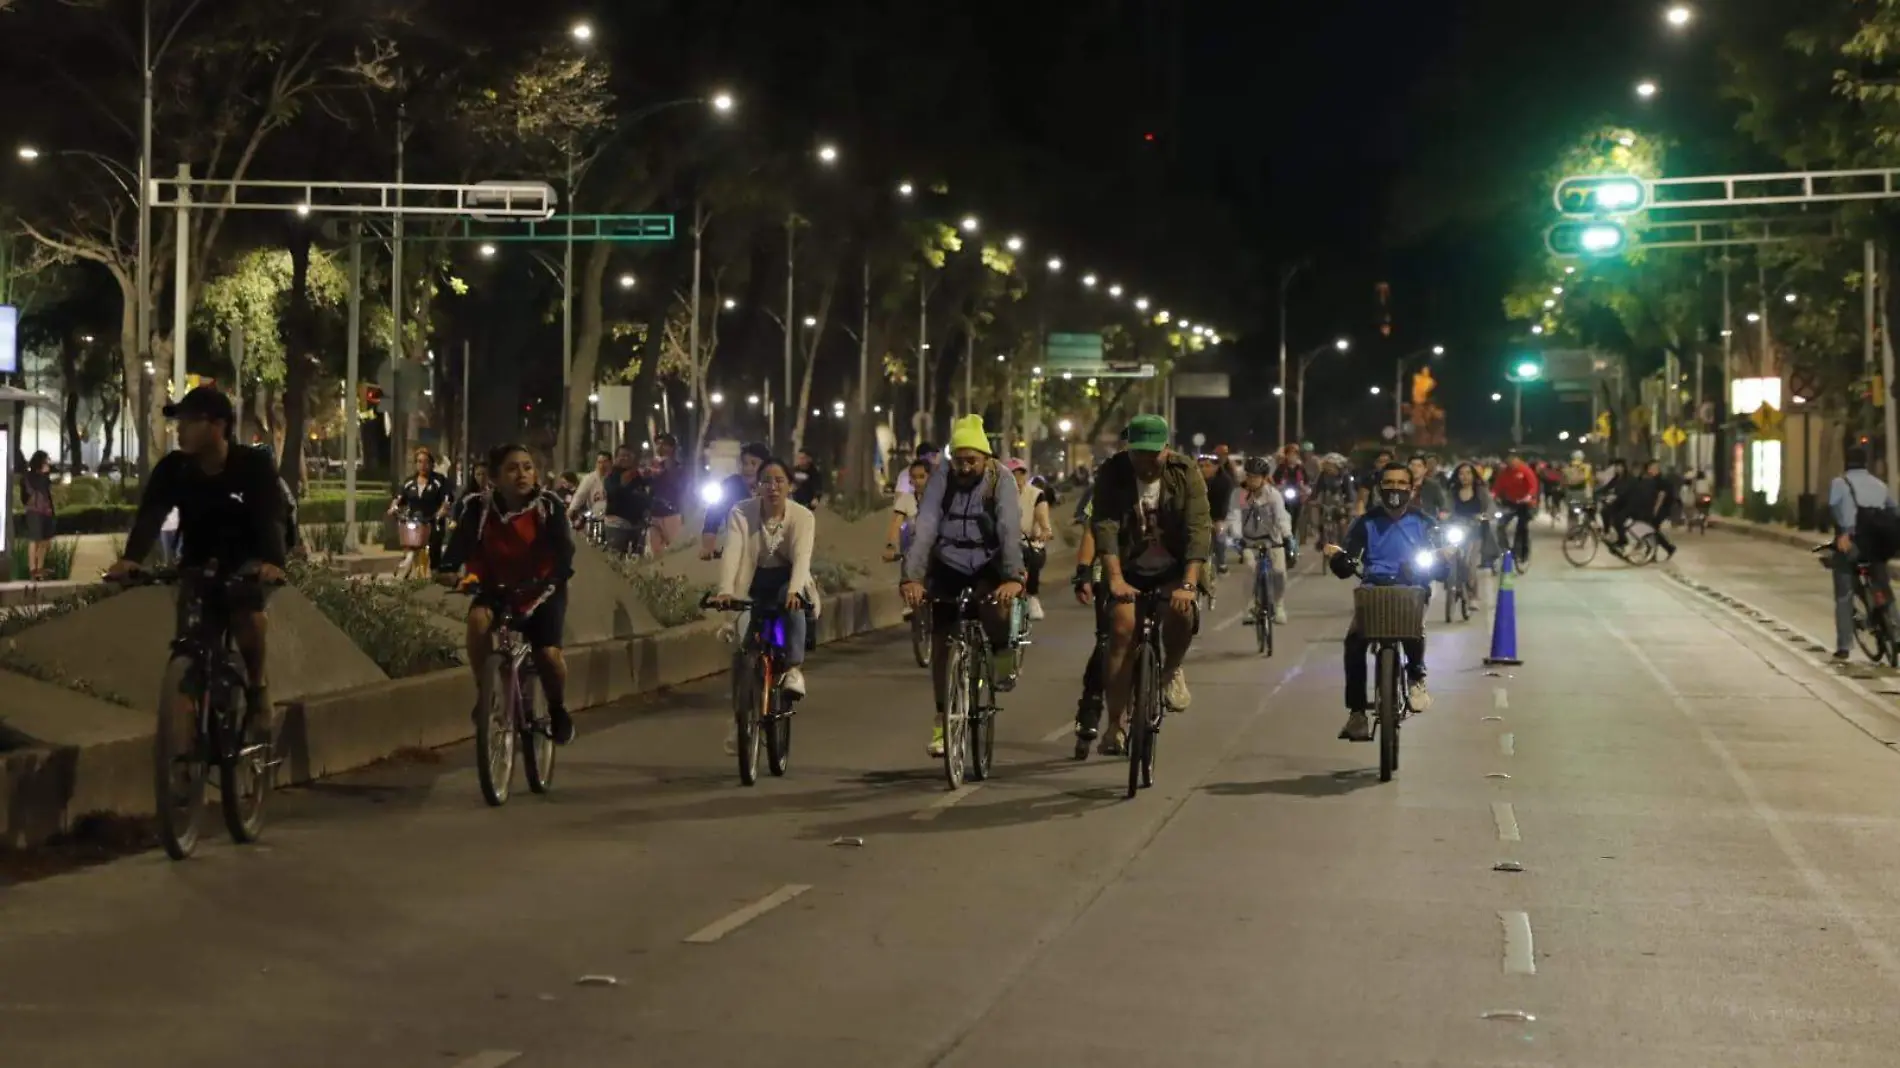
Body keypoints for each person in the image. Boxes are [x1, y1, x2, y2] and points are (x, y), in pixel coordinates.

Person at [106, 386, 288, 745]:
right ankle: (186, 737)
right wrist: (131, 559)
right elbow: (152, 515)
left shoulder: (251, 466)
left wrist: (272, 562)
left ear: (219, 425)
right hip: (197, 558)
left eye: (190, 421)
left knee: (245, 614)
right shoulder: (174, 469)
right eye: (179, 422)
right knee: (189, 636)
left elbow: (272, 517)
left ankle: (256, 690)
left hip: (247, 558)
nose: (180, 429)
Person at [901, 415, 1025, 758]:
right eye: (959, 460)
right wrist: (912, 576)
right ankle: (943, 719)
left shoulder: (1001, 480)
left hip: (989, 561)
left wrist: (1014, 577)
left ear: (985, 458)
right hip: (949, 561)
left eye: (972, 460)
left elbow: (1009, 527)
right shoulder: (942, 477)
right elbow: (925, 525)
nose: (965, 467)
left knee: (996, 611)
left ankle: (1001, 653)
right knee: (941, 640)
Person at [1089, 414, 1208, 755]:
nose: (1144, 461)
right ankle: (1115, 725)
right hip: (1128, 568)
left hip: (1175, 566)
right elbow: (1105, 524)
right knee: (1122, 631)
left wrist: (1188, 583)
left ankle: (1171, 669)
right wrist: (1113, 577)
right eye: (1137, 453)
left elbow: (1199, 528)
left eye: (1151, 454)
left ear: (1166, 451)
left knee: (1181, 613)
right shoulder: (1113, 471)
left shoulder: (1185, 473)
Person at [447, 443, 578, 745]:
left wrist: (554, 577)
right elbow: (457, 550)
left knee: (548, 655)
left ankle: (557, 710)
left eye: (528, 467)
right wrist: (451, 572)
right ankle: (486, 696)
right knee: (478, 621)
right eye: (512, 468)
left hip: (543, 590)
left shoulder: (549, 505)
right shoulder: (476, 507)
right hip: (496, 588)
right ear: (494, 477)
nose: (522, 474)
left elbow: (564, 553)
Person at [1324, 462, 1437, 742]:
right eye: (1389, 483)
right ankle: (1357, 713)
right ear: (1379, 488)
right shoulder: (1367, 522)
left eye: (1401, 483)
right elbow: (1349, 556)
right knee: (1354, 642)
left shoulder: (1424, 522)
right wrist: (1340, 558)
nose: (1395, 488)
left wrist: (1441, 560)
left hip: (1411, 589)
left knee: (1413, 629)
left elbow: (1439, 558)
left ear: (1411, 488)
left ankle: (1416, 679)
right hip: (1373, 590)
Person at [713, 456, 817, 749]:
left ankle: (793, 668)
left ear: (790, 486)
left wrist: (796, 591)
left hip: (788, 580)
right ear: (756, 486)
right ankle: (741, 720)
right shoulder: (740, 513)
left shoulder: (803, 517)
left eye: (779, 480)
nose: (772, 487)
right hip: (753, 582)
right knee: (742, 650)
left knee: (792, 606)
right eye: (766, 481)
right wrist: (725, 591)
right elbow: (732, 553)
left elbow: (802, 558)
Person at [1829, 444, 1896, 660]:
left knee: (1844, 593)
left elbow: (1834, 509)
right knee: (1884, 589)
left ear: (1846, 462)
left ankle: (1844, 646)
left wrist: (1843, 533)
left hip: (1852, 543)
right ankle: (1895, 631)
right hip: (1877, 546)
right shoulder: (1879, 485)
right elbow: (1894, 510)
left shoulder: (1840, 483)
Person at [1238, 457, 1293, 625]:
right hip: (1248, 540)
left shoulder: (1273, 495)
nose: (1252, 480)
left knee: (1279, 572)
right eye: (1249, 476)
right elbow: (1233, 517)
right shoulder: (1239, 495)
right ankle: (1250, 606)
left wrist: (1287, 536)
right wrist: (1235, 537)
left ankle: (1278, 605)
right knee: (1250, 569)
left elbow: (1281, 517)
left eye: (1256, 477)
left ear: (1263, 478)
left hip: (1272, 539)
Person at [700, 441, 771, 560]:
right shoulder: (730, 486)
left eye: (754, 464)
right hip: (736, 547)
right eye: (744, 464)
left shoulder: (773, 486)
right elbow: (714, 514)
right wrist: (708, 545)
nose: (748, 469)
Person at [388, 446, 453, 570]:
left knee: (434, 550)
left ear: (431, 463)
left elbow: (447, 499)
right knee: (408, 542)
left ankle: (435, 572)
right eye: (419, 461)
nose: (422, 465)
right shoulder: (409, 482)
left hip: (433, 522)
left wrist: (441, 512)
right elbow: (399, 498)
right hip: (414, 522)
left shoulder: (439, 481)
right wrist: (393, 508)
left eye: (426, 462)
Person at [1010, 458, 1053, 621]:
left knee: (1031, 556)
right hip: (1004, 542)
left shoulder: (1036, 494)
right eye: (1012, 474)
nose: (1017, 478)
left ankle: (1032, 596)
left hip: (1027, 542)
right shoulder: (998, 493)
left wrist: (1045, 531)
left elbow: (1043, 518)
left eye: (1020, 474)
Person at [1448, 461, 1494, 602]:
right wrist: (1444, 515)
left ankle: (1474, 595)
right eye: (1461, 473)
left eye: (1468, 473)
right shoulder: (1452, 492)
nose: (1465, 477)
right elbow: (1446, 508)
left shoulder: (1481, 491)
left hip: (1475, 532)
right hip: (1456, 531)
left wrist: (1485, 516)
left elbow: (1491, 508)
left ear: (1473, 475)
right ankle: (1453, 586)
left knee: (1470, 563)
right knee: (1452, 560)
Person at [1490, 450, 1539, 568]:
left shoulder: (1525, 470)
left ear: (1518, 459)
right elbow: (1497, 487)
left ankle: (1523, 553)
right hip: (1510, 503)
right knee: (1500, 526)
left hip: (1525, 504)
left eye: (1513, 459)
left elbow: (1533, 486)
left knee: (1522, 528)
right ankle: (1506, 550)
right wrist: (1492, 496)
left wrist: (1528, 496)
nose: (1510, 462)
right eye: (1508, 460)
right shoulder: (1505, 472)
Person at [601, 445, 652, 556]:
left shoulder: (638, 476)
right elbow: (614, 492)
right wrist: (626, 480)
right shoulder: (611, 475)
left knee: (636, 560)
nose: (625, 458)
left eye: (628, 456)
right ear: (616, 458)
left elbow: (645, 495)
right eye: (622, 456)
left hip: (636, 525)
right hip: (617, 524)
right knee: (615, 559)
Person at [1623, 458, 1678, 559]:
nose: (1654, 470)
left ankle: (1657, 551)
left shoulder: (1661, 480)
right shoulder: (1650, 480)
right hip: (1655, 509)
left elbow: (1661, 496)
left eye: (1656, 468)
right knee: (1652, 530)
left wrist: (1655, 511)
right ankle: (1664, 549)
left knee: (1652, 530)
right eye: (1652, 468)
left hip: (1662, 509)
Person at [646, 433, 687, 554]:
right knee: (655, 551)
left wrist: (666, 466)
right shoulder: (651, 466)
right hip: (654, 514)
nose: (660, 447)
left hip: (672, 514)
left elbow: (680, 487)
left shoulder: (678, 467)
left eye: (664, 445)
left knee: (674, 551)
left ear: (672, 448)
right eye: (658, 444)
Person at [886, 457, 932, 562]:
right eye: (914, 477)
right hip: (911, 556)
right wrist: (891, 546)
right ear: (910, 480)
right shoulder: (906, 499)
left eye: (922, 477)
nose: (918, 481)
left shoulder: (939, 500)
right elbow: (896, 523)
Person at [20, 450, 55, 580]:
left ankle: (40, 567)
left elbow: (48, 496)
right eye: (46, 461)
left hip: (46, 511)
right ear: (40, 462)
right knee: (35, 539)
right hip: (34, 511)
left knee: (45, 540)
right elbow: (24, 496)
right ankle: (33, 569)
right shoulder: (29, 477)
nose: (48, 464)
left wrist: (51, 511)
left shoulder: (45, 478)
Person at [1200, 454, 1238, 575]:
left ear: (1216, 467)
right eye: (1201, 466)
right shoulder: (1196, 479)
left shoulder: (1225, 481)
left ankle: (1221, 562)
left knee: (1220, 534)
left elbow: (1225, 503)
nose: (1203, 469)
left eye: (1207, 466)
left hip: (1222, 514)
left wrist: (1219, 519)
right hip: (1203, 513)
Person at [567, 451, 612, 523]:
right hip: (597, 518)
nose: (602, 465)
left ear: (610, 463)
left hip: (613, 520)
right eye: (599, 462)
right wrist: (572, 509)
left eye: (605, 462)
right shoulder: (589, 478)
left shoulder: (615, 478)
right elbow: (580, 495)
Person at [1410, 453, 1450, 518]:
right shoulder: (1399, 484)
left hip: (1428, 523)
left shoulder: (1433, 486)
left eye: (1419, 466)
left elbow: (1443, 506)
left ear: (1425, 469)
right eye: (1412, 465)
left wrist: (1442, 517)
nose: (1415, 468)